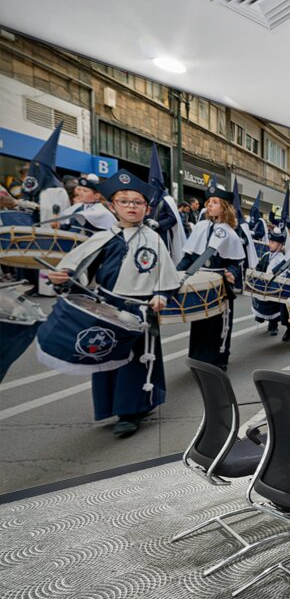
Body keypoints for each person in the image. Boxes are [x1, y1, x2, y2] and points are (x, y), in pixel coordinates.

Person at [46, 170, 181, 437]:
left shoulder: (153, 238)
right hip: (106, 307)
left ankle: (131, 412)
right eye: (124, 201)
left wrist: (161, 295)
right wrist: (63, 278)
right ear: (112, 205)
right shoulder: (102, 237)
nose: (131, 206)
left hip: (139, 309)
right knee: (107, 358)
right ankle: (115, 406)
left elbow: (166, 277)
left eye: (137, 202)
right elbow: (80, 271)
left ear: (146, 207)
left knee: (135, 362)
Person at [177, 184, 245, 370]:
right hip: (200, 281)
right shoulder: (200, 226)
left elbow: (235, 261)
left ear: (224, 206)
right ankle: (198, 357)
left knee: (218, 324)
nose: (210, 205)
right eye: (208, 202)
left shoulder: (230, 232)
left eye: (215, 202)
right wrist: (177, 274)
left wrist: (233, 273)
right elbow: (189, 256)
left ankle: (218, 358)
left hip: (220, 283)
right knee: (199, 321)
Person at [250, 226, 289, 336]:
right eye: (270, 241)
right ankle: (263, 318)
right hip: (263, 286)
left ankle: (274, 325)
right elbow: (259, 268)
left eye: (272, 242)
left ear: (280, 245)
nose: (269, 244)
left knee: (274, 307)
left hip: (274, 288)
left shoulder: (282, 259)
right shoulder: (266, 256)